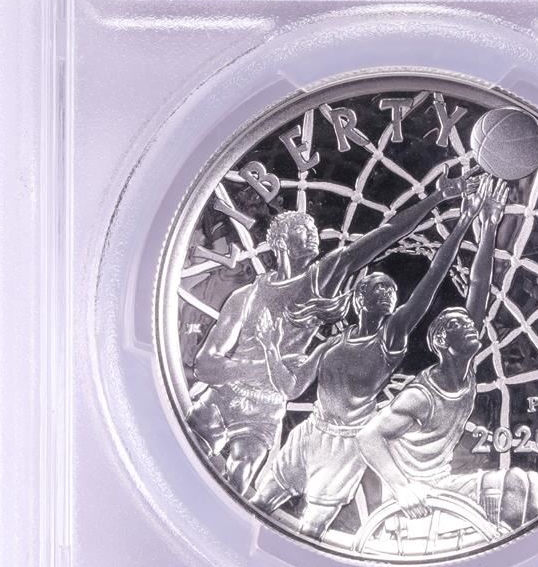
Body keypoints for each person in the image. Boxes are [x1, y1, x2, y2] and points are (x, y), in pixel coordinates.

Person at [190, 169, 480, 495]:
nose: (313, 234)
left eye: (313, 229)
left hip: (267, 406)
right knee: (179, 449)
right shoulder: (246, 296)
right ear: (281, 241)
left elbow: (388, 232)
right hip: (223, 396)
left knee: (235, 489)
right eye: (304, 230)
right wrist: (262, 365)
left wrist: (438, 197)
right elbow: (204, 366)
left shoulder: (323, 277)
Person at [248, 179, 490, 538]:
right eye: (380, 287)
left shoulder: (389, 338)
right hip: (311, 431)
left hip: (346, 445)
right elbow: (292, 387)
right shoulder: (333, 343)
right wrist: (270, 349)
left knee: (309, 533)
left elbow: (433, 277)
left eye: (392, 290)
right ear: (360, 298)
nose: (389, 293)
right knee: (255, 506)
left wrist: (464, 221)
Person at [357, 179, 538, 531]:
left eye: (469, 323)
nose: (471, 326)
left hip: (443, 484)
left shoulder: (464, 371)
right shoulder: (421, 395)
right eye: (459, 325)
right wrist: (402, 488)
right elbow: (367, 437)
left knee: (527, 486)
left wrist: (489, 226)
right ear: (442, 342)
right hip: (412, 499)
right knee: (513, 499)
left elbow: (478, 286)